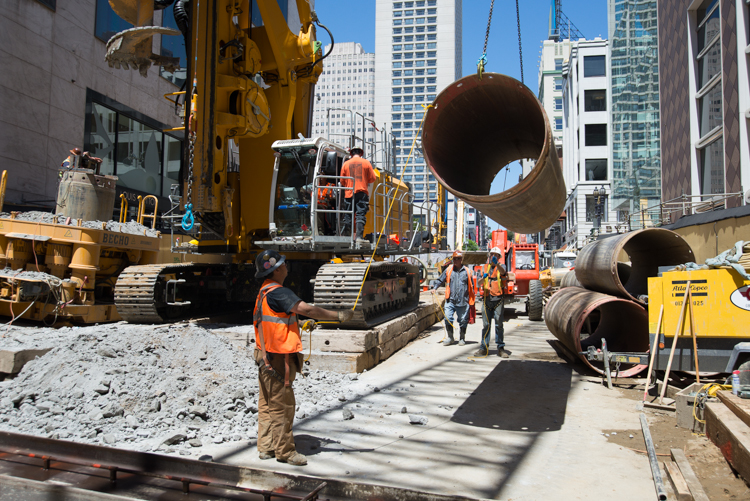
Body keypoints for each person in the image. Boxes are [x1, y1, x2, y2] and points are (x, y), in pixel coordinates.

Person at [253, 249, 353, 466]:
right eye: (284, 264)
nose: (286, 267)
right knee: (283, 406)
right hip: (278, 359)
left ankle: (267, 446)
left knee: (267, 404)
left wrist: (297, 324)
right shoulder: (280, 292)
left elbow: (273, 321)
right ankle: (285, 452)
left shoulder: (264, 291)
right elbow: (307, 309)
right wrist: (338, 316)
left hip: (264, 356)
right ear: (278, 269)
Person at [431, 250, 475, 346]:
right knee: (447, 318)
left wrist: (471, 300)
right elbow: (440, 279)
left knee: (463, 320)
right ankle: (450, 338)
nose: (455, 260)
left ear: (461, 259)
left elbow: (471, 287)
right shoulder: (449, 270)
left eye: (458, 259)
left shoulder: (467, 272)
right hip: (450, 300)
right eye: (454, 259)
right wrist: (434, 288)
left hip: (463, 301)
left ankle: (462, 338)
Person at [475, 247, 510, 357]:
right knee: (486, 325)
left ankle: (500, 348)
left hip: (498, 300)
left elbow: (503, 272)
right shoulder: (484, 268)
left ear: (499, 257)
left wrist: (497, 264)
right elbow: (478, 283)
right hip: (486, 299)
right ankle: (483, 348)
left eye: (496, 255)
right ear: (489, 256)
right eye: (492, 255)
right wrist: (483, 278)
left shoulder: (501, 266)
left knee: (499, 324)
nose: (493, 257)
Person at [340, 146, 375, 242]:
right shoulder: (366, 163)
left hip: (349, 193)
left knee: (348, 215)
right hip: (362, 192)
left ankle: (347, 238)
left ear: (351, 154)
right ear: (361, 153)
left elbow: (342, 180)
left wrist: (348, 185)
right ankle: (359, 237)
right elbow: (373, 178)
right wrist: (364, 180)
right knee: (360, 215)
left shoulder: (346, 164)